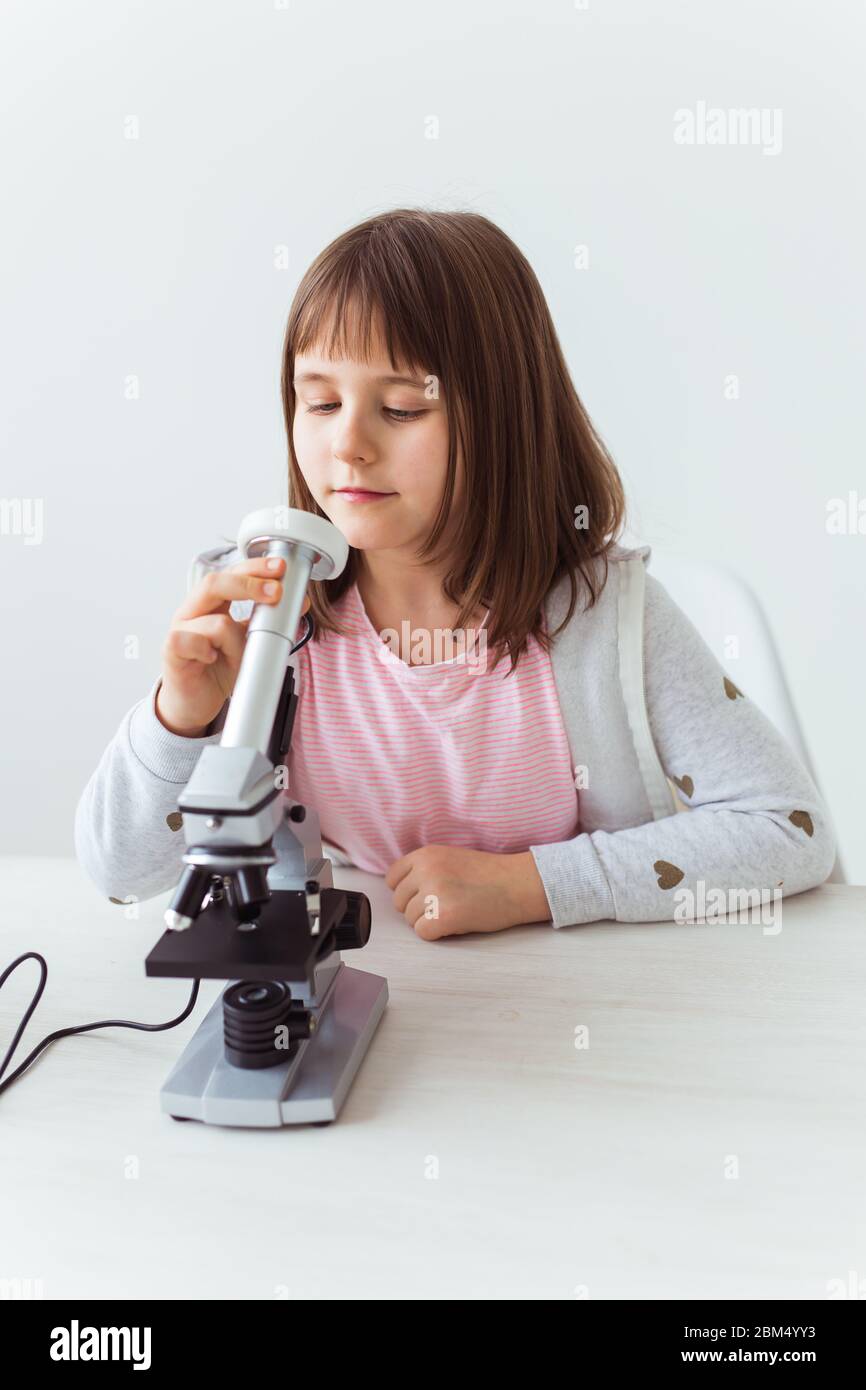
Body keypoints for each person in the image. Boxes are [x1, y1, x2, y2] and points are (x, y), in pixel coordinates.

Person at [74, 208, 837, 939]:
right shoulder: (265, 617)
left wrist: (527, 885)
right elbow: (119, 874)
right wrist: (181, 719)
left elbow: (789, 830)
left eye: (402, 408)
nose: (349, 444)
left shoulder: (609, 621)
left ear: (505, 416)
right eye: (321, 402)